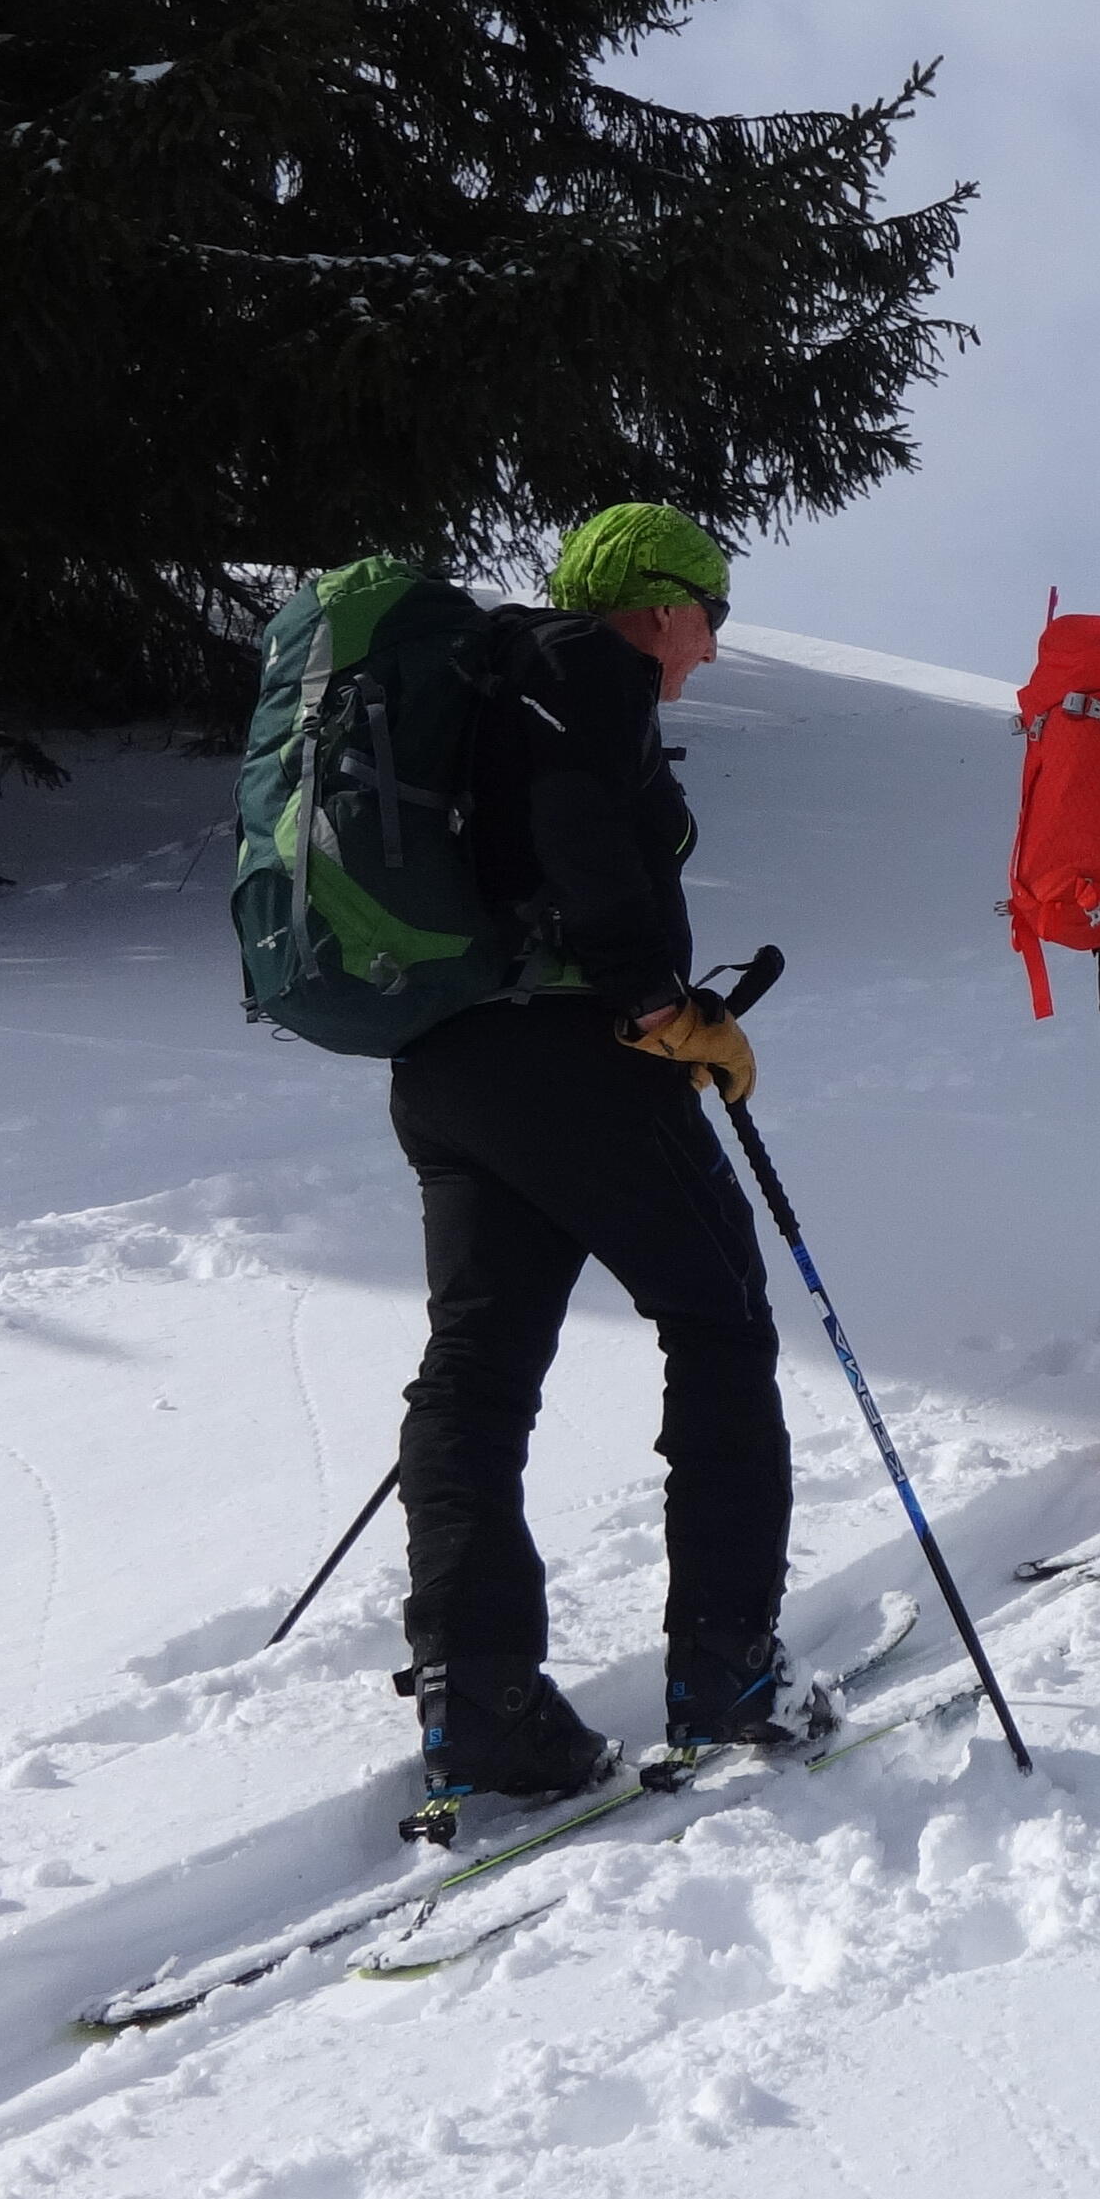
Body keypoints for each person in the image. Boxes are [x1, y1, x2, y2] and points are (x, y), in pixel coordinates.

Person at [386, 501, 796, 1804]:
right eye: (710, 616)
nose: (710, 647)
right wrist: (660, 1007)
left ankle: (480, 1699)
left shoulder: (485, 684)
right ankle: (728, 1670)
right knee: (720, 1321)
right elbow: (577, 828)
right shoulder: (585, 667)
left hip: (446, 1067)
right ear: (661, 604)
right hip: (573, 1058)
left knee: (477, 1370)